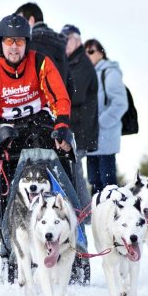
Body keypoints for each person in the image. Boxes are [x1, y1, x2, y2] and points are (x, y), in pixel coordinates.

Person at [0, 13, 72, 262]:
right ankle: (8, 245)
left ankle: (75, 245)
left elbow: (60, 96)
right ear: (0, 44)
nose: (14, 48)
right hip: (8, 130)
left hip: (41, 125)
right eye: (9, 42)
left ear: (27, 43)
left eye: (19, 42)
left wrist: (62, 124)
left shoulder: (40, 62)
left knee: (65, 160)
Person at [61, 25, 98, 220]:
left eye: (67, 38)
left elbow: (75, 95)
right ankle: (80, 212)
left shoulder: (82, 64)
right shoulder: (71, 62)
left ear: (77, 40)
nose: (64, 42)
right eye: (63, 38)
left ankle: (86, 215)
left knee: (76, 172)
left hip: (81, 131)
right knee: (72, 171)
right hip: (74, 129)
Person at [84, 38, 128, 195]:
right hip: (92, 139)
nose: (87, 54)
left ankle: (113, 216)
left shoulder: (110, 72)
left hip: (106, 137)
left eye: (91, 51)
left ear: (101, 53)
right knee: (94, 183)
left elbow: (120, 103)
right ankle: (98, 217)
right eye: (85, 51)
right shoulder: (89, 74)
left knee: (107, 183)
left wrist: (101, 122)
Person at [15, 2, 70, 89]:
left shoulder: (32, 43)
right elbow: (69, 83)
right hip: (59, 100)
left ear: (31, 20)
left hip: (40, 101)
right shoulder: (60, 44)